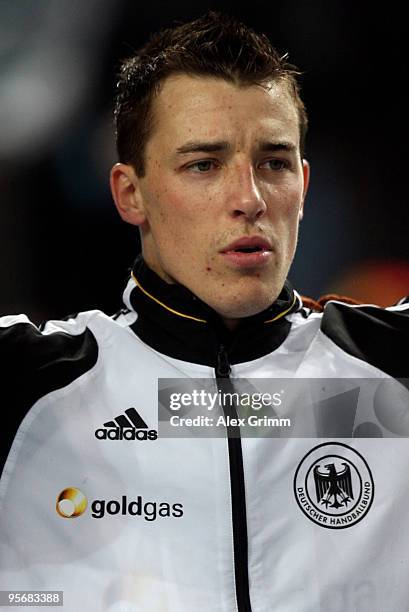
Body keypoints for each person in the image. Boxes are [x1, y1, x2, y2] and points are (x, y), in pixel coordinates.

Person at [1, 11, 409, 612]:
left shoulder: (391, 369)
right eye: (203, 164)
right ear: (129, 193)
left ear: (303, 183)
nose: (249, 199)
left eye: (273, 163)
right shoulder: (31, 384)